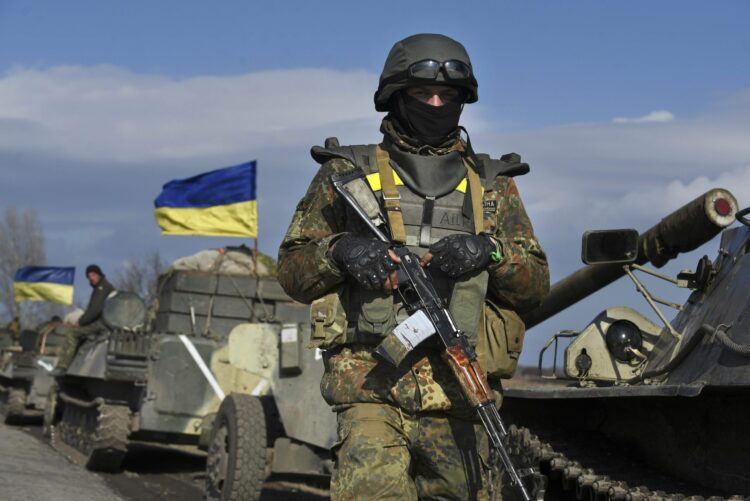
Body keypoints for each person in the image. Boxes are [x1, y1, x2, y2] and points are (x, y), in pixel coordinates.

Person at [278, 33, 549, 500]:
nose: (437, 102)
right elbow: (292, 271)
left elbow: (535, 286)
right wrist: (341, 251)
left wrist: (491, 252)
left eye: (449, 95)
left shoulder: (492, 186)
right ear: (396, 96)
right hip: (370, 385)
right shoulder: (346, 175)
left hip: (461, 393)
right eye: (424, 94)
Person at [54, 264, 115, 372]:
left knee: (72, 334)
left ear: (99, 275)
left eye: (93, 275)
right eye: (89, 276)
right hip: (104, 322)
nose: (91, 278)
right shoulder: (103, 286)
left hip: (101, 323)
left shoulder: (102, 288)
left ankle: (62, 366)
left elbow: (94, 310)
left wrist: (81, 322)